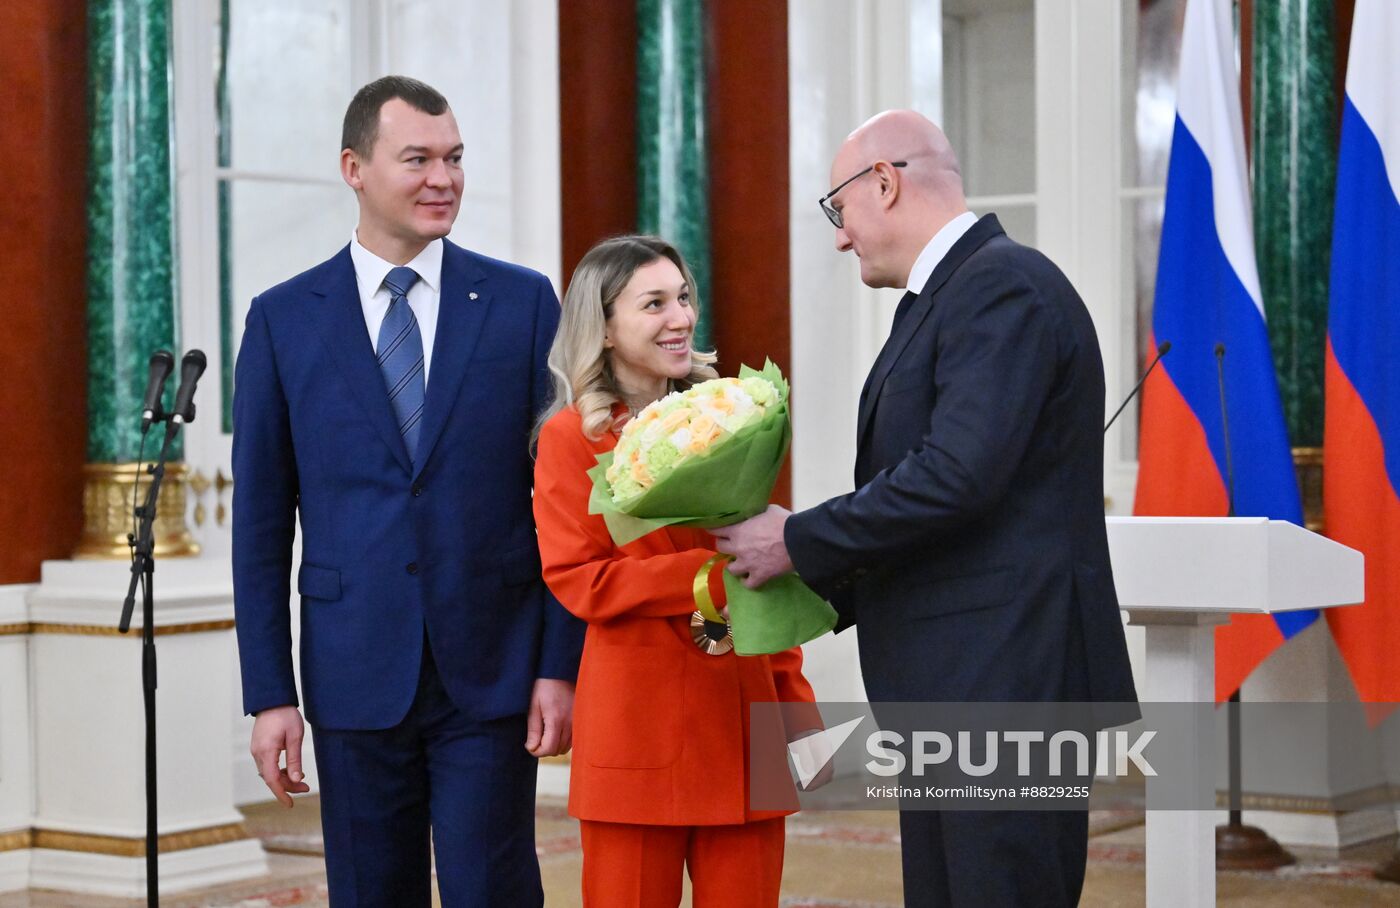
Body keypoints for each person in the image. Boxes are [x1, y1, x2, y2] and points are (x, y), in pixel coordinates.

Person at [711, 110, 1139, 907]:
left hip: (1007, 680)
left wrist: (798, 541)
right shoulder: (953, 293)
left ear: (885, 181)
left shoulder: (999, 286)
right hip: (963, 677)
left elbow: (955, 476)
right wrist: (798, 590)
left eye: (839, 211)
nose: (840, 239)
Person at [231, 75, 584, 907]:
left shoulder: (522, 302)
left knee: (491, 890)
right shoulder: (283, 321)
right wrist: (269, 693)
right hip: (354, 672)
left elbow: (564, 500)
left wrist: (558, 666)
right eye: (418, 159)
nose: (443, 179)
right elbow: (258, 524)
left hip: (492, 668)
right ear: (354, 167)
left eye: (455, 158)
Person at [531, 235, 820, 908]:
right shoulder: (570, 437)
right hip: (637, 728)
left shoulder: (734, 418)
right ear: (602, 327)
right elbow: (580, 579)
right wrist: (704, 576)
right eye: (654, 303)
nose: (680, 317)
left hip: (744, 722)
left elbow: (769, 569)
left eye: (684, 297)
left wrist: (799, 711)